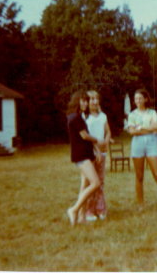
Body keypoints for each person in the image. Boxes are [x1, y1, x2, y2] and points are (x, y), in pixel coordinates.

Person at [127, 89, 157, 213]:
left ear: (146, 99)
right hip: (137, 145)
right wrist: (149, 129)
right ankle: (141, 204)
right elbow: (132, 131)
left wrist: (140, 128)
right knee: (139, 176)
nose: (137, 101)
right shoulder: (132, 115)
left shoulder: (152, 112)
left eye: (140, 98)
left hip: (152, 143)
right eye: (136, 99)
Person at [66, 90, 101, 226]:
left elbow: (86, 138)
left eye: (86, 100)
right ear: (76, 101)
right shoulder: (75, 117)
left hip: (86, 154)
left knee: (84, 185)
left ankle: (81, 217)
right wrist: (98, 141)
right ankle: (74, 210)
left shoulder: (78, 116)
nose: (85, 103)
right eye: (83, 100)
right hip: (81, 156)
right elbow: (85, 136)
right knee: (95, 183)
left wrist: (95, 150)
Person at [84, 90, 114, 222]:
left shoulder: (103, 116)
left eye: (96, 99)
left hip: (102, 152)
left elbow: (108, 131)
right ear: (86, 101)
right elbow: (85, 137)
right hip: (90, 153)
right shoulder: (84, 117)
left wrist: (106, 141)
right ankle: (89, 210)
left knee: (100, 182)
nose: (95, 101)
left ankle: (100, 208)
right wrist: (95, 148)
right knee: (91, 182)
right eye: (91, 99)